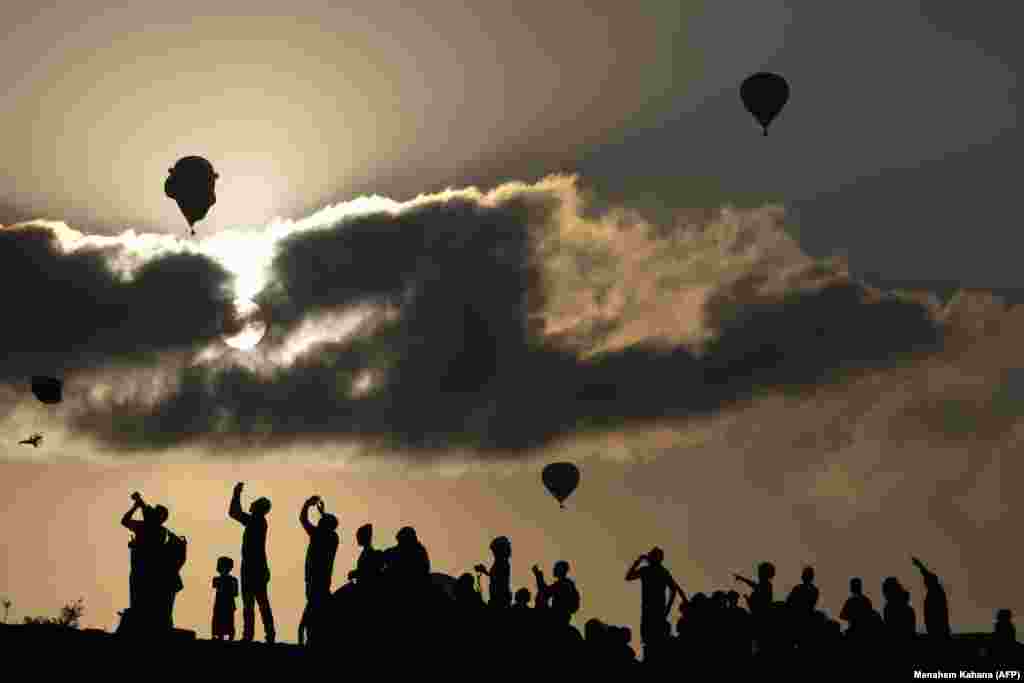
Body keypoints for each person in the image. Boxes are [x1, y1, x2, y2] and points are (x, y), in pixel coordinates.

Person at [229, 482, 276, 643]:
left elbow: (234, 513)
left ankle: (255, 635)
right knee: (256, 602)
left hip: (253, 567)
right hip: (254, 566)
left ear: (258, 508)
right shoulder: (257, 521)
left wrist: (236, 494)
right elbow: (235, 513)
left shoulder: (257, 521)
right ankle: (260, 634)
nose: (252, 505)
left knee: (255, 602)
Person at [625, 547, 683, 663]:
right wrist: (667, 608)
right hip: (654, 613)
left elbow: (628, 577)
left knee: (651, 642)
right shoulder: (658, 571)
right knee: (653, 642)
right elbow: (674, 589)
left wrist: (638, 561)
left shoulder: (650, 571)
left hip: (652, 613)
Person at [298, 496, 339, 647]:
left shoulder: (318, 534)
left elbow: (303, 519)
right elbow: (329, 524)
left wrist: (307, 504)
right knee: (318, 609)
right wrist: (323, 513)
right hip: (323, 580)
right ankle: (315, 639)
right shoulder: (333, 537)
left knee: (313, 610)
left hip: (314, 580)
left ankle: (311, 639)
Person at [912, 557, 951, 640]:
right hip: (936, 630)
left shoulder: (936, 593)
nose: (924, 583)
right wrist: (920, 566)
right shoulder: (936, 592)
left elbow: (928, 575)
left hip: (938, 631)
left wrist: (920, 566)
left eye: (925, 582)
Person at [474, 536, 512, 609]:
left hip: (499, 599)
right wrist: (484, 571)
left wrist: (484, 571)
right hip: (500, 598)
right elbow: (496, 577)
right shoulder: (502, 562)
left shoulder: (501, 562)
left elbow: (497, 579)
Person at [212, 557, 238, 641]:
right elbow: (235, 593)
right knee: (220, 620)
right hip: (222, 603)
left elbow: (235, 593)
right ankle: (220, 635)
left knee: (228, 620)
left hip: (226, 603)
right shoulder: (218, 579)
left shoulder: (231, 580)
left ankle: (227, 635)